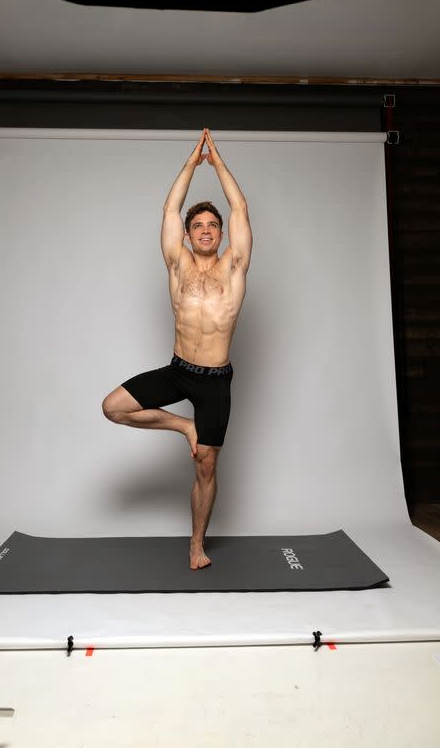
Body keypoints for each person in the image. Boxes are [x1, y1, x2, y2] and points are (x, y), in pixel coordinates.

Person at [102, 128, 253, 570]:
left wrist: (218, 161)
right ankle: (183, 427)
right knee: (113, 407)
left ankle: (196, 544)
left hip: (215, 380)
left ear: (222, 233)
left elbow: (241, 207)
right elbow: (169, 207)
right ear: (187, 235)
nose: (205, 230)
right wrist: (192, 162)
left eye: (212, 225)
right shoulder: (178, 264)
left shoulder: (234, 266)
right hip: (179, 369)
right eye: (197, 226)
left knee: (206, 467)